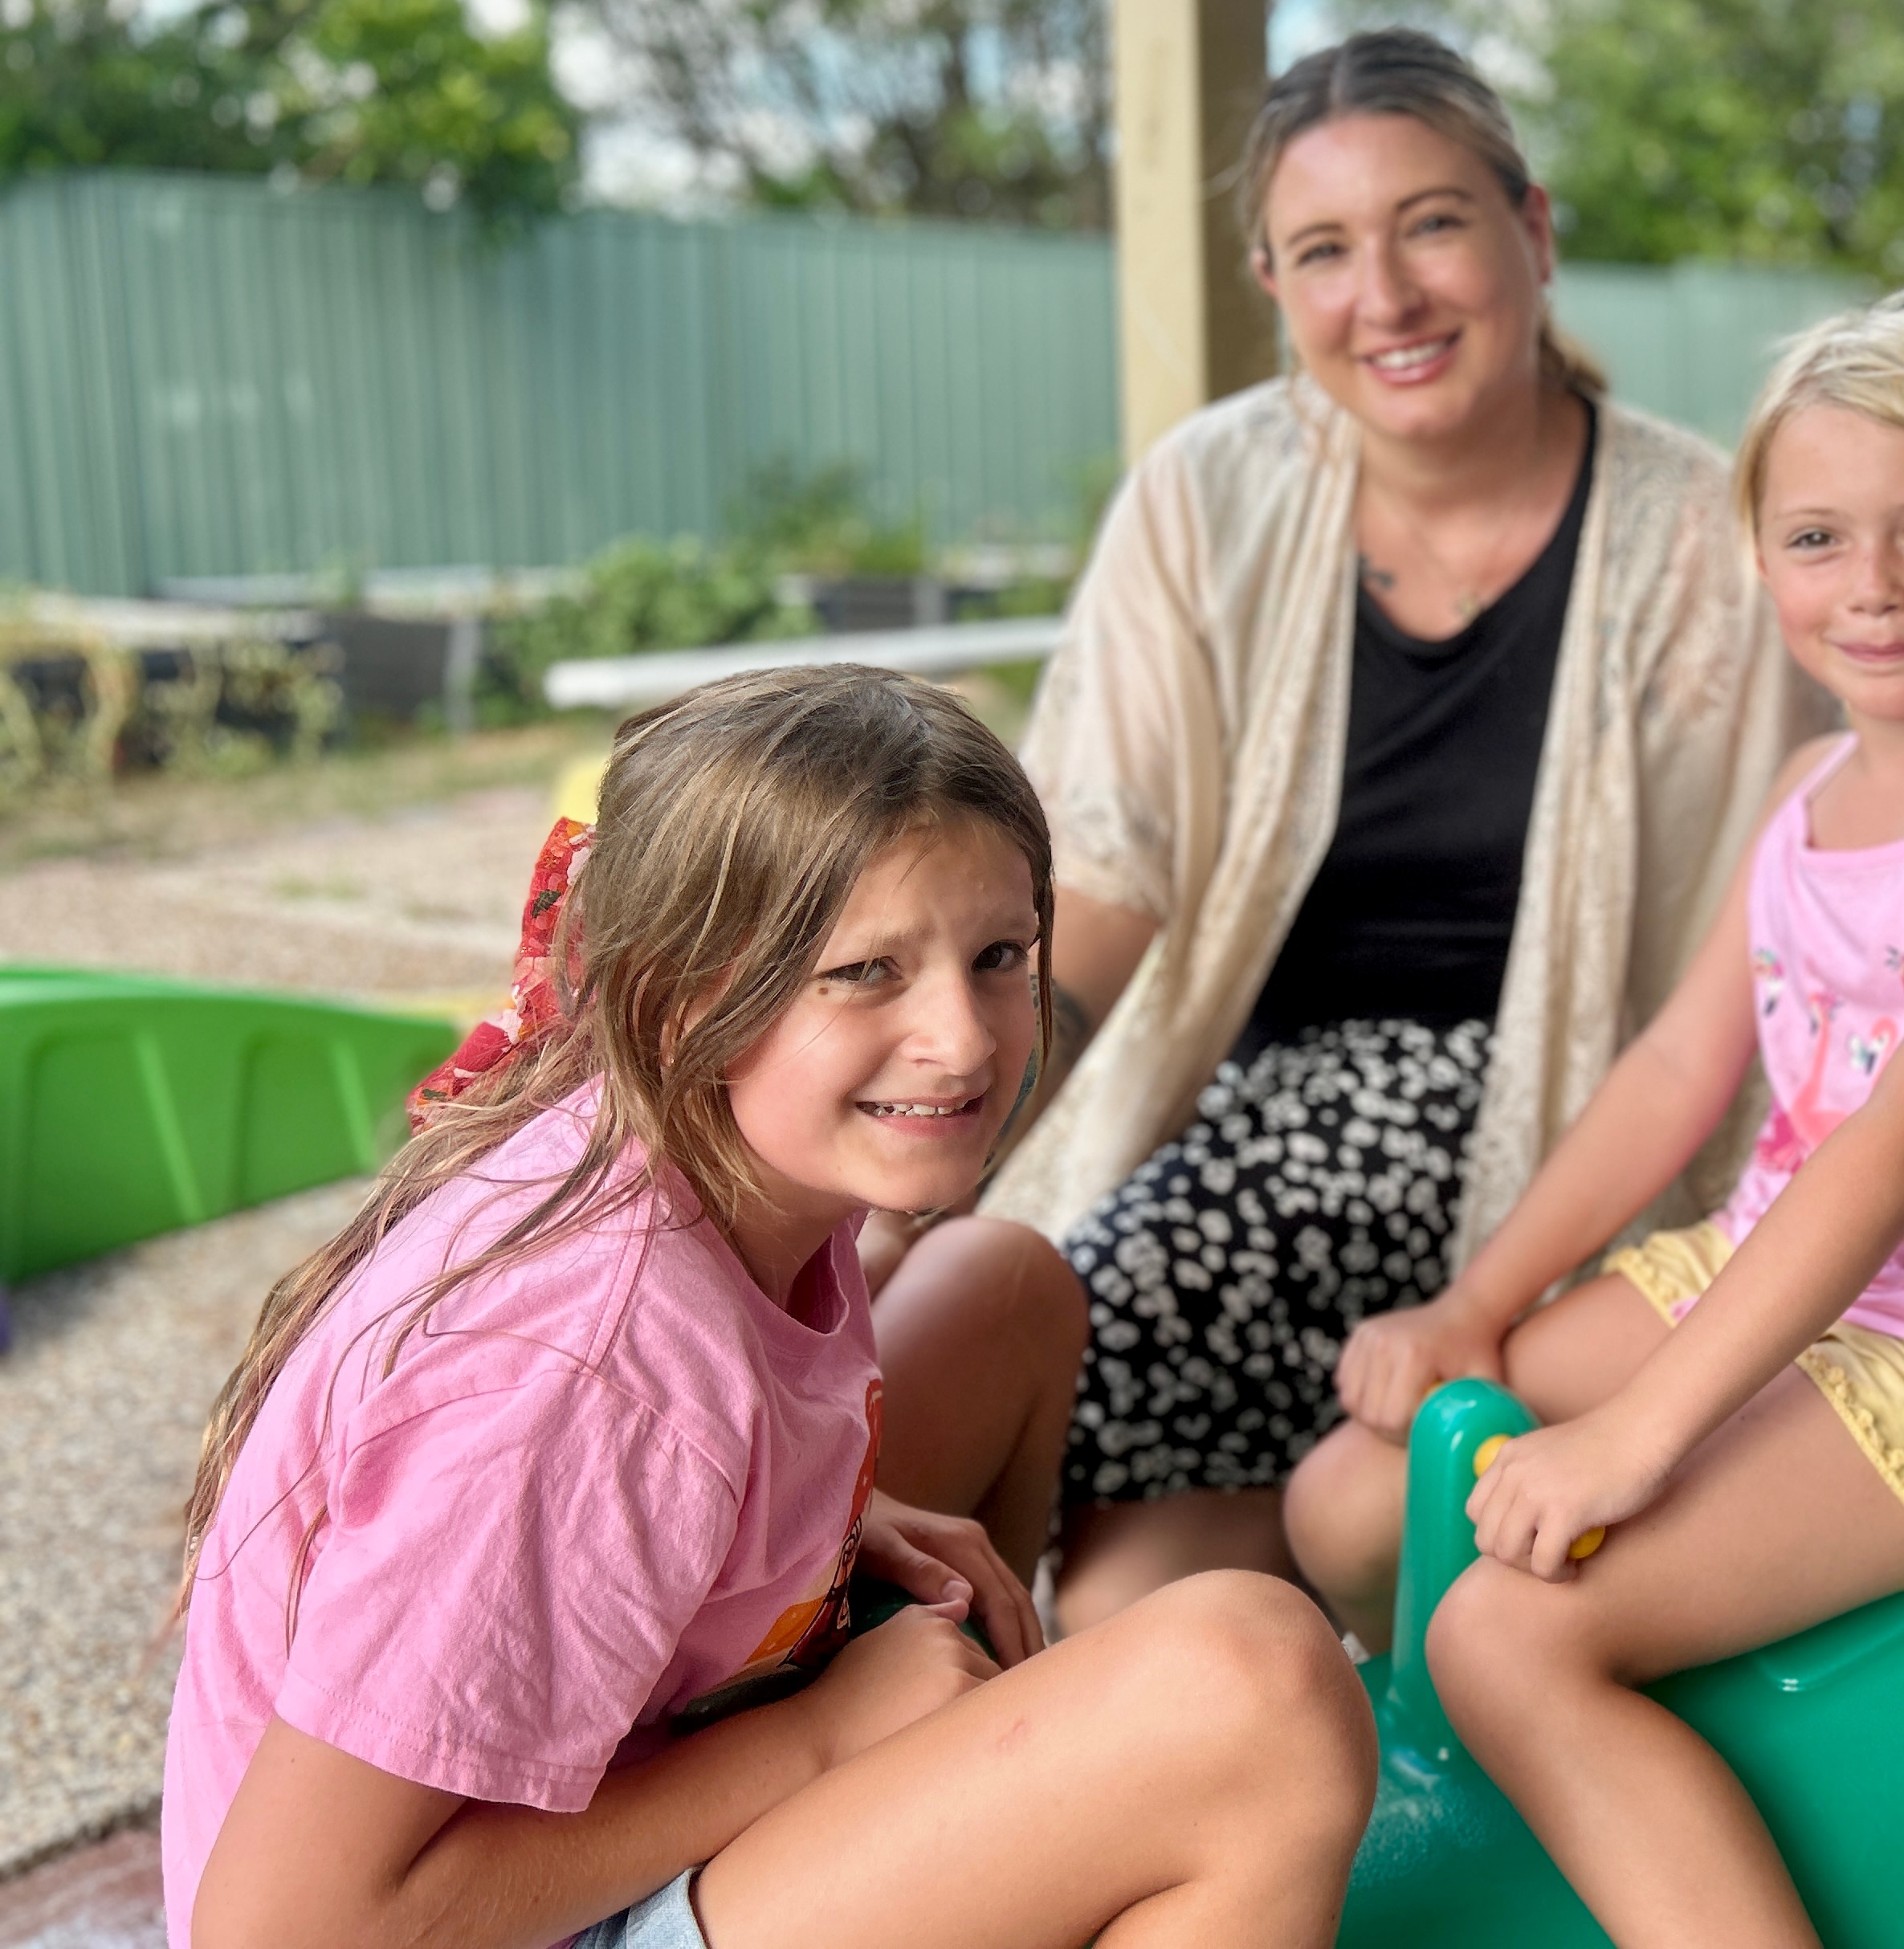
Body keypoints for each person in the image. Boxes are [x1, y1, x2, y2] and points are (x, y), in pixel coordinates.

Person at [164, 667, 1373, 1949]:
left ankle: (1005, 1838)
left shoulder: (729, 1155)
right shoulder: (583, 1367)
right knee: (1257, 1689)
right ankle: (1033, 1830)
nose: (960, 1039)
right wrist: (819, 1736)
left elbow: (680, 1457)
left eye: (998, 956)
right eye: (866, 972)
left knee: (1000, 1288)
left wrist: (830, 1521)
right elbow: (281, 1929)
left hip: (627, 1772)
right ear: (683, 999)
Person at [1284, 296, 1904, 1947]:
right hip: (1773, 1268)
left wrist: (1641, 1435)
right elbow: (1675, 1077)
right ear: (1763, 558)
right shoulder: (1803, 799)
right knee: (1350, 1500)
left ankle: (1578, 1747)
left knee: (1507, 1633)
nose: (1878, 587)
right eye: (1821, 537)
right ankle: (1530, 1803)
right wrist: (1480, 1309)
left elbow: (1900, 1150)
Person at [908, 28, 1818, 1631]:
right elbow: (1103, 869)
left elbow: (1775, 939)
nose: (1383, 297)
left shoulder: (1702, 539)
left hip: (1565, 1119)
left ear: (1532, 232)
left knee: (1121, 1317)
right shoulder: (1210, 495)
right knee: (1099, 1558)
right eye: (1324, 251)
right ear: (1273, 282)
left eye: (1434, 224)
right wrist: (949, 1120)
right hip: (1244, 1109)